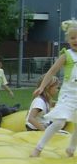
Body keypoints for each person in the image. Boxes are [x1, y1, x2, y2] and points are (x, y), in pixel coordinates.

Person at [30, 20, 77, 157]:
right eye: (72, 37)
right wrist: (42, 87)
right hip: (68, 94)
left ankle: (71, 149)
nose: (75, 40)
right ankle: (38, 148)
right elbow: (51, 72)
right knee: (59, 122)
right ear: (68, 39)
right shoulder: (66, 55)